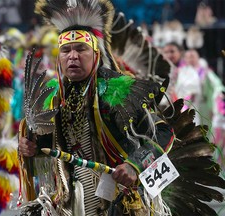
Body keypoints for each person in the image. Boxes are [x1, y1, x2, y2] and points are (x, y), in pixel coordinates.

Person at [18, 1, 225, 216]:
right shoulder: (54, 98)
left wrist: (134, 165)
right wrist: (33, 148)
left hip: (121, 199)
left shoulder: (120, 90)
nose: (72, 56)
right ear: (58, 58)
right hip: (73, 198)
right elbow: (55, 147)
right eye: (65, 50)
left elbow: (164, 132)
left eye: (81, 49)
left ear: (96, 55)